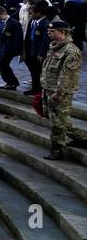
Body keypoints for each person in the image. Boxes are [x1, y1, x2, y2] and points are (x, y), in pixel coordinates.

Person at [42, 20, 84, 161]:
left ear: (63, 32)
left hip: (60, 93)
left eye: (52, 31)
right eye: (48, 31)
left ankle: (57, 149)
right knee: (61, 120)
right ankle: (82, 138)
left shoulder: (71, 51)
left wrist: (58, 93)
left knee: (57, 123)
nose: (49, 33)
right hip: (49, 88)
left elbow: (67, 75)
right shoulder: (55, 47)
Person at [0, 6, 24, 91]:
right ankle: (9, 82)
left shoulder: (14, 23)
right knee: (2, 66)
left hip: (9, 48)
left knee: (4, 65)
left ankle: (13, 82)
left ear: (4, 13)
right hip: (1, 47)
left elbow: (18, 38)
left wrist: (17, 50)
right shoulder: (0, 22)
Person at [24, 4, 51, 96]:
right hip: (31, 50)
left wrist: (42, 53)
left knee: (37, 71)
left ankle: (38, 89)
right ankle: (35, 88)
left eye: (32, 13)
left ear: (39, 13)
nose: (31, 14)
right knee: (33, 71)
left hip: (38, 52)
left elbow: (45, 40)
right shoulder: (33, 21)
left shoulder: (46, 23)